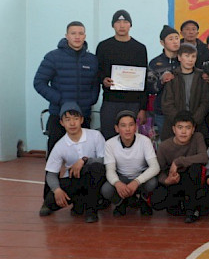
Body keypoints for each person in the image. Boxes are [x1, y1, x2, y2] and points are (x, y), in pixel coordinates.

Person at [34, 21, 99, 154]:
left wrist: (91, 100)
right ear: (67, 36)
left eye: (80, 33)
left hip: (83, 115)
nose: (77, 37)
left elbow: (95, 84)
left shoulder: (92, 60)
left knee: (84, 157)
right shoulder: (53, 57)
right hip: (59, 115)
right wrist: (60, 99)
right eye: (73, 33)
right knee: (55, 157)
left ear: (85, 36)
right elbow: (39, 82)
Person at [39, 102, 106, 223]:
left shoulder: (95, 136)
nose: (72, 123)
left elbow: (105, 160)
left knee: (97, 168)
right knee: (51, 202)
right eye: (67, 119)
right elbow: (51, 174)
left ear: (81, 120)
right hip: (73, 179)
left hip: (94, 177)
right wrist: (57, 190)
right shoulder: (60, 145)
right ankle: (79, 202)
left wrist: (85, 160)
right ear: (62, 123)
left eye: (75, 118)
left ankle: (91, 210)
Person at [95, 10, 149, 139]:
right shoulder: (103, 46)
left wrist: (142, 108)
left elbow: (144, 79)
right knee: (108, 138)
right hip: (110, 101)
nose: (122, 25)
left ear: (130, 25)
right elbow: (97, 72)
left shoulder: (140, 48)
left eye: (125, 22)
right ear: (113, 25)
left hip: (133, 103)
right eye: (118, 22)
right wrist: (103, 79)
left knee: (130, 139)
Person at [151, 111, 208, 223]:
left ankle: (191, 210)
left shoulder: (197, 137)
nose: (183, 132)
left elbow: (204, 157)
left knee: (195, 168)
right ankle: (182, 203)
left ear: (193, 129)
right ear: (174, 129)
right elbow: (158, 171)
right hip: (174, 181)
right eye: (180, 127)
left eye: (188, 128)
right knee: (157, 202)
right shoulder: (164, 146)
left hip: (191, 179)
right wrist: (166, 180)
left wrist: (178, 162)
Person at [101, 110, 160, 216]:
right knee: (106, 190)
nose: (127, 129)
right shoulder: (110, 144)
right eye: (123, 126)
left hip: (140, 177)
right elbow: (110, 170)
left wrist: (136, 181)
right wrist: (117, 183)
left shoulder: (145, 141)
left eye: (131, 125)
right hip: (122, 177)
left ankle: (143, 200)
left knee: (152, 183)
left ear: (136, 127)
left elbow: (155, 167)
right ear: (117, 128)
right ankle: (121, 203)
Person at [159, 44, 209, 141]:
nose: (190, 60)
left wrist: (193, 121)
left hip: (197, 125)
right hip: (174, 126)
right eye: (187, 56)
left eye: (193, 56)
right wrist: (180, 123)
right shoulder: (172, 77)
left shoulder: (201, 77)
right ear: (179, 57)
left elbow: (205, 102)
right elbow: (167, 103)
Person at [147, 25, 181, 136]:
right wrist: (161, 81)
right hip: (162, 111)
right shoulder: (155, 63)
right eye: (170, 39)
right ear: (162, 43)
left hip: (182, 110)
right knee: (166, 142)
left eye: (177, 38)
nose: (175, 41)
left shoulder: (185, 60)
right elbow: (150, 88)